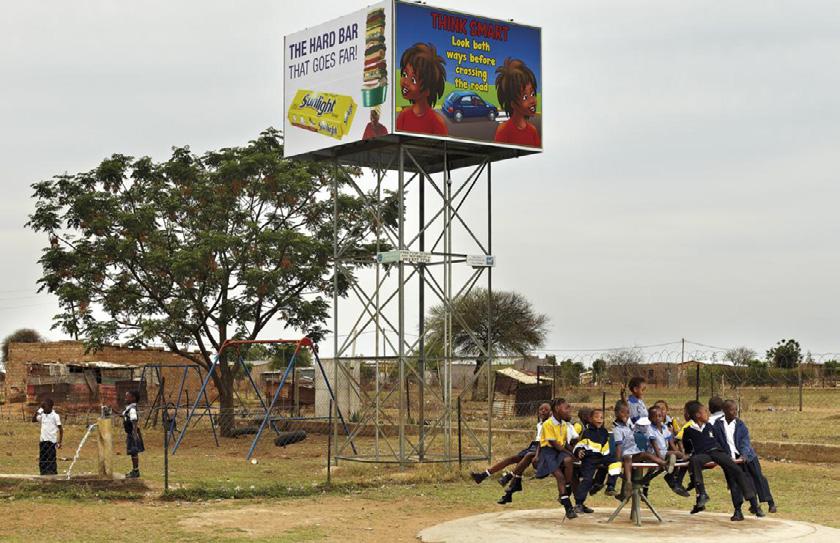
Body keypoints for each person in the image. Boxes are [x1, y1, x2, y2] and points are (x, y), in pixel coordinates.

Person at [681, 400, 756, 516]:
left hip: (716, 452)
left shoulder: (711, 426)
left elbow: (720, 440)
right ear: (698, 415)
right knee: (694, 460)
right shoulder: (688, 430)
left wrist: (727, 453)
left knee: (735, 469)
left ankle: (750, 496)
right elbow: (688, 448)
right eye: (705, 412)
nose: (708, 414)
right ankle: (702, 494)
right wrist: (688, 455)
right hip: (703, 455)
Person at [472, 403, 551, 503]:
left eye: (546, 409)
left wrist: (537, 453)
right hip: (534, 446)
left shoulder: (549, 424)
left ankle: (508, 483)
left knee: (523, 462)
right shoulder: (539, 424)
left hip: (542, 447)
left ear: (551, 412)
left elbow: (544, 441)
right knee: (512, 459)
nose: (543, 411)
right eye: (541, 409)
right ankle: (484, 475)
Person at [714, 399, 775, 519]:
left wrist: (744, 455)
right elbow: (717, 442)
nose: (734, 412)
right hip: (730, 459)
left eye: (736, 409)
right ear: (725, 411)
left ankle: (768, 502)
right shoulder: (717, 425)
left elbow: (745, 442)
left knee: (757, 478)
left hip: (747, 457)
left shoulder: (740, 424)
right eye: (732, 410)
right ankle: (738, 510)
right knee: (734, 484)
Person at [613, 400, 674, 500]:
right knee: (628, 459)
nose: (626, 415)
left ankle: (664, 464)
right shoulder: (617, 428)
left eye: (627, 413)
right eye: (622, 412)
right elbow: (618, 447)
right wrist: (618, 461)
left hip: (634, 452)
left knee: (646, 455)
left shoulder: (629, 425)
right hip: (625, 455)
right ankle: (628, 482)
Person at [534, 398, 578, 519]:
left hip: (560, 450)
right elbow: (555, 445)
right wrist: (569, 452)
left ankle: (567, 487)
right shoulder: (547, 424)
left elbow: (565, 443)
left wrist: (575, 452)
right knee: (559, 476)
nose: (569, 410)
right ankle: (568, 506)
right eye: (566, 407)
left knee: (569, 460)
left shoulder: (564, 424)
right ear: (557, 409)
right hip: (548, 452)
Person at [396, 43, 448, 135]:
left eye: (413, 80)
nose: (405, 82)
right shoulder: (403, 116)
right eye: (405, 75)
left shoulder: (437, 122)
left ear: (427, 91)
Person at [572, 408, 618, 513]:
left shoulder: (604, 432)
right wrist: (578, 451)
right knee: (587, 480)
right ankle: (579, 503)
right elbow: (579, 445)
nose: (600, 420)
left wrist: (608, 456)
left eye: (602, 418)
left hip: (602, 457)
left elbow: (606, 446)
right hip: (590, 458)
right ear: (590, 419)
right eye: (597, 417)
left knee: (615, 462)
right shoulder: (587, 432)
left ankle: (610, 486)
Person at [494, 57, 541, 147]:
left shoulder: (532, 130)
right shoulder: (503, 131)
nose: (532, 100)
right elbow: (499, 153)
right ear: (513, 104)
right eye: (525, 97)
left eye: (533, 93)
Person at [646, 405, 688, 496]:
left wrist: (678, 453)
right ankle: (681, 460)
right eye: (655, 416)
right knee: (676, 455)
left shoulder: (665, 428)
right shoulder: (649, 429)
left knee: (676, 455)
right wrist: (660, 459)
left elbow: (672, 444)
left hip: (664, 452)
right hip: (654, 453)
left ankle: (672, 470)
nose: (658, 418)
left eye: (660, 416)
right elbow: (654, 445)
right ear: (650, 418)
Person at [32, 397, 62, 475]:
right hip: (43, 441)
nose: (44, 408)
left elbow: (61, 429)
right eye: (43, 407)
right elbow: (33, 420)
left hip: (52, 442)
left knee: (51, 458)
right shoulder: (42, 415)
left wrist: (59, 442)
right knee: (43, 459)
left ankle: (53, 474)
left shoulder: (55, 416)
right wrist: (39, 410)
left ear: (51, 407)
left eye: (45, 407)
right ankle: (43, 473)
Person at [123, 390, 145, 479]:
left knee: (134, 452)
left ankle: (136, 471)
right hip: (131, 433)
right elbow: (124, 416)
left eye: (127, 397)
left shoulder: (132, 409)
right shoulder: (129, 408)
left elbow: (134, 421)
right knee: (133, 453)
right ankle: (135, 470)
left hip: (132, 433)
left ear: (133, 398)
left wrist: (134, 434)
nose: (125, 398)